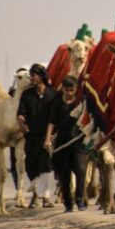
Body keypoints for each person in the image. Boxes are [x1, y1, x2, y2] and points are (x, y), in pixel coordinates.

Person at [18, 64, 58, 208]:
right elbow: (21, 113)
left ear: (41, 76)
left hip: (47, 137)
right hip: (31, 136)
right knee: (31, 167)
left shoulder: (53, 94)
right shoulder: (27, 95)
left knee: (45, 167)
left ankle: (44, 198)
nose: (32, 78)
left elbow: (56, 116)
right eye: (31, 75)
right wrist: (21, 123)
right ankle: (37, 194)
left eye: (34, 75)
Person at [45, 76, 87, 211]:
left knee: (81, 171)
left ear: (76, 89)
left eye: (72, 90)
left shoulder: (80, 104)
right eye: (67, 90)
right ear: (62, 89)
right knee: (64, 175)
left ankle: (80, 200)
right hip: (62, 143)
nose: (69, 93)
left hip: (78, 142)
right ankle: (68, 204)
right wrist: (47, 139)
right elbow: (51, 122)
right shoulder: (57, 104)